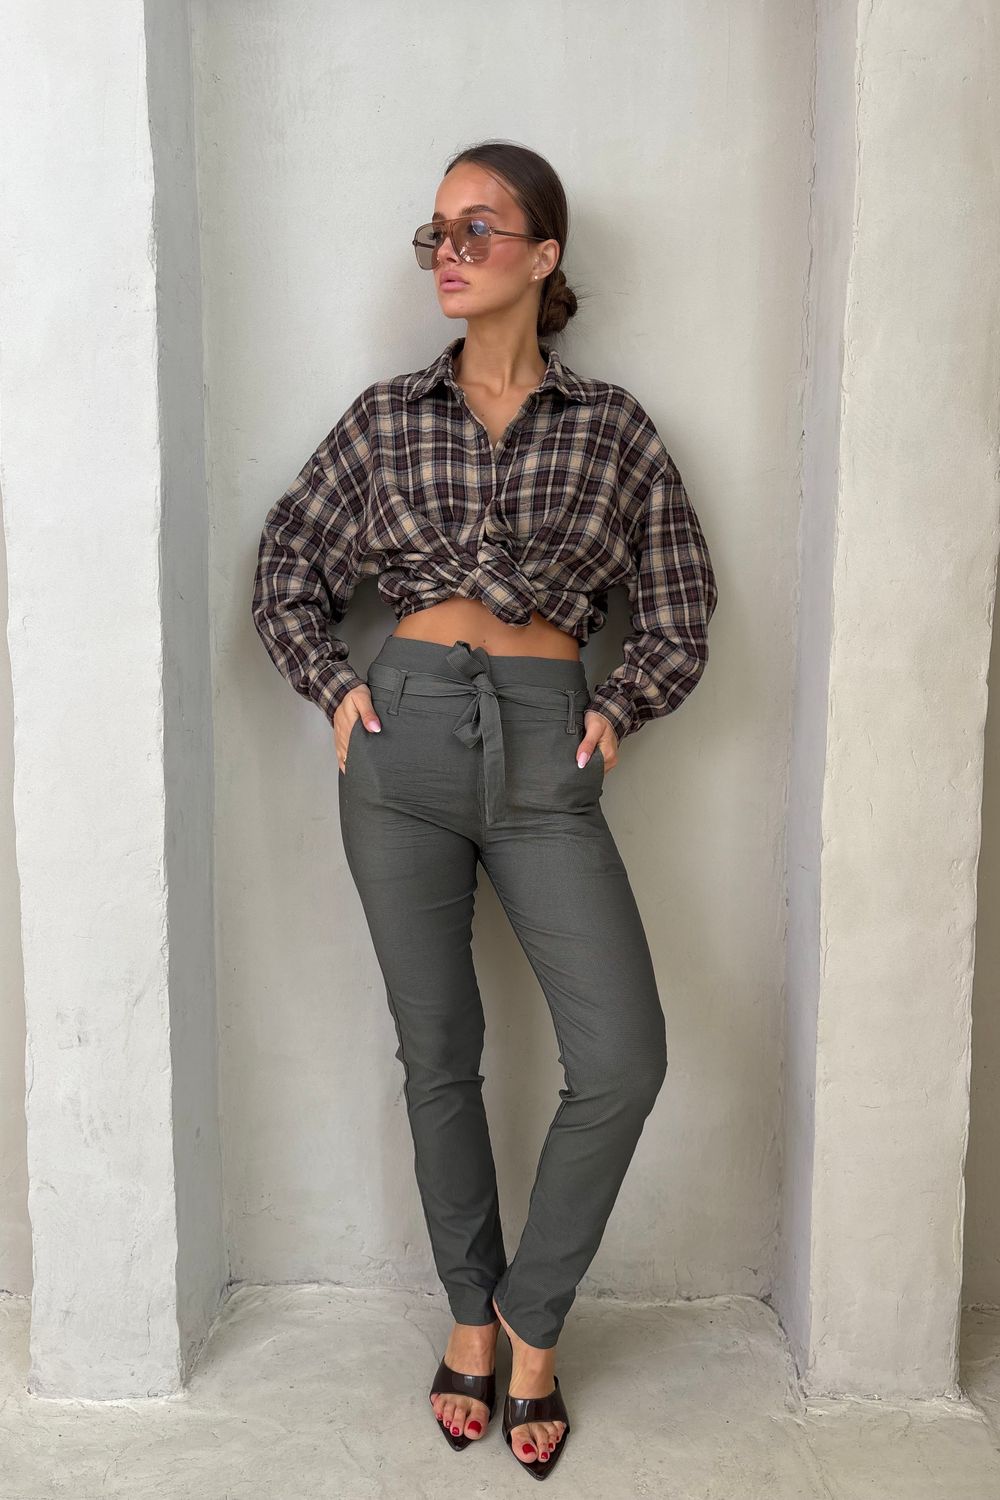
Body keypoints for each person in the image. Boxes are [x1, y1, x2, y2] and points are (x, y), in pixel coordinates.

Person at [251, 139, 718, 1479]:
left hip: (544, 750)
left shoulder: (612, 428)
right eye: (435, 233)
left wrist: (618, 708)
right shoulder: (386, 417)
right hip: (398, 742)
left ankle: (530, 1318)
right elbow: (287, 563)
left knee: (622, 1059)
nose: (447, 253)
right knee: (439, 1052)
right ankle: (469, 1317)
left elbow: (681, 602)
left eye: (478, 228)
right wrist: (336, 685)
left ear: (543, 253)